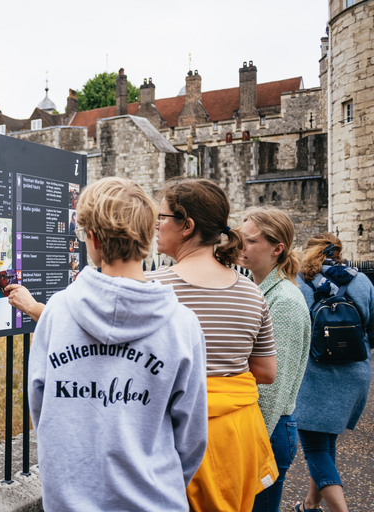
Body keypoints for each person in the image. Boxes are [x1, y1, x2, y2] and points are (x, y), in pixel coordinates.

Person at [29, 177, 208, 511]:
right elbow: (193, 435)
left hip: (70, 500)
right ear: (149, 237)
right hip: (154, 500)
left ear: (93, 239)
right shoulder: (182, 325)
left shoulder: (57, 311)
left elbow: (41, 409)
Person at [147, 178, 278, 512]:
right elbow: (265, 371)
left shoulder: (151, 289)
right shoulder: (252, 293)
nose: (156, 225)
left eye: (162, 217)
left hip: (174, 437)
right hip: (236, 439)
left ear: (187, 226)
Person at [292, 233, 374, 512]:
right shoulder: (362, 281)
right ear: (339, 252)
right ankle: (310, 505)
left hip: (315, 376)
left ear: (307, 251)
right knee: (326, 443)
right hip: (355, 374)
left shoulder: (300, 283)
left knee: (315, 449)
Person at [239, 207, 312, 512]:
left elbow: (273, 386)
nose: (241, 247)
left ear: (277, 248)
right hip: (262, 428)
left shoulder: (283, 301)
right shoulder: (264, 291)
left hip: (267, 431)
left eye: (250, 241)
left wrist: (252, 449)